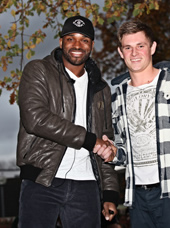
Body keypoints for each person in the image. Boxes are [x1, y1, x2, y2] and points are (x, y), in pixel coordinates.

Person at [94, 19, 170, 228]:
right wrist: (113, 153)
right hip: (138, 197)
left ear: (152, 47)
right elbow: (124, 149)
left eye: (140, 45)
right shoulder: (118, 95)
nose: (134, 53)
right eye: (128, 47)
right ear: (120, 52)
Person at [16, 15, 119, 228]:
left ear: (91, 45)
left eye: (84, 40)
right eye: (70, 38)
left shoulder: (101, 88)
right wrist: (91, 141)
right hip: (42, 178)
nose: (77, 45)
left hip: (87, 185)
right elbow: (35, 118)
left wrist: (109, 193)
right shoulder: (38, 70)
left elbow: (107, 139)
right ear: (61, 42)